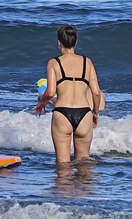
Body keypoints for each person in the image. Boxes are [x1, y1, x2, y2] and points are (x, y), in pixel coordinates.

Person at [33, 25, 103, 164]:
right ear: (76, 42)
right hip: (84, 114)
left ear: (59, 42)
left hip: (62, 113)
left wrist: (41, 100)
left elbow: (50, 92)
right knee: (83, 164)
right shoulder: (87, 62)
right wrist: (95, 114)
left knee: (63, 165)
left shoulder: (54, 63)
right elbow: (96, 93)